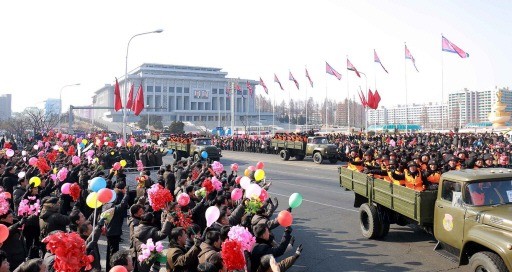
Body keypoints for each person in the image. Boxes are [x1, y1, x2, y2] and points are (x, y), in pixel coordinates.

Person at [104, 183, 130, 271]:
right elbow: (123, 203)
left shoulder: (105, 207)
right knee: (114, 252)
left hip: (109, 231)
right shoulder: (114, 209)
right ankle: (113, 267)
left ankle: (109, 267)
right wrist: (126, 193)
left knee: (109, 250)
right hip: (114, 232)